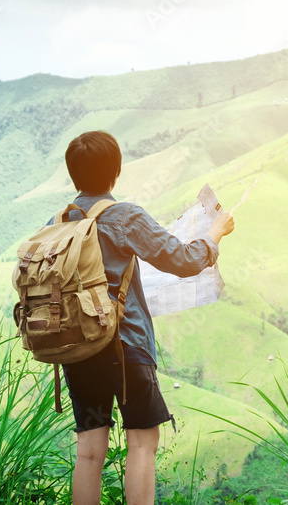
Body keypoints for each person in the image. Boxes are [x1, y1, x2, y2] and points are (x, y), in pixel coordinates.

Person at [56, 130, 234, 505]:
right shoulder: (124, 215)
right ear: (115, 172)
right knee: (142, 441)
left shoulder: (58, 222)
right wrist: (214, 234)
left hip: (77, 347)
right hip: (125, 346)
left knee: (89, 450)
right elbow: (182, 261)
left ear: (73, 174)